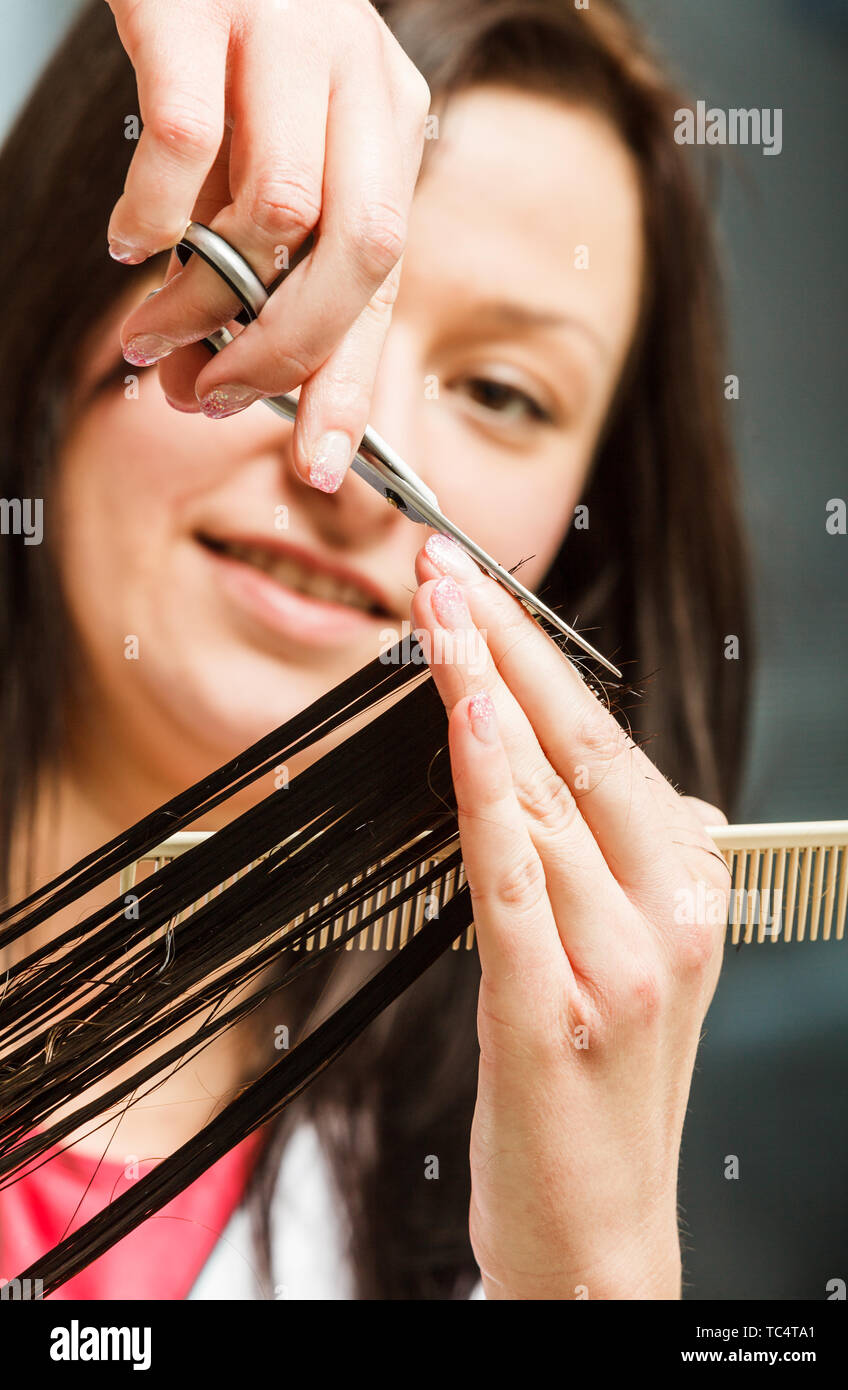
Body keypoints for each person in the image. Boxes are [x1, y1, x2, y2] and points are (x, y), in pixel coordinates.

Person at [0, 0, 749, 1299]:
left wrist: (599, 1273)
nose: (338, 460)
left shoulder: (480, 1238)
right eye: (267, 284)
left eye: (502, 393)